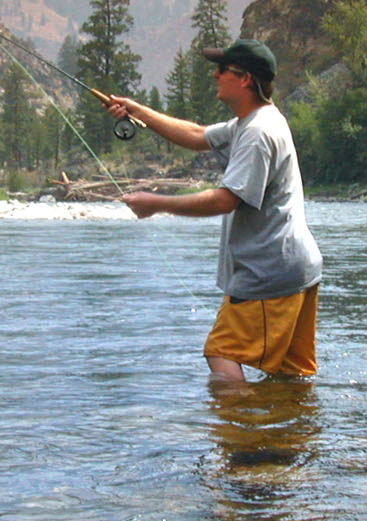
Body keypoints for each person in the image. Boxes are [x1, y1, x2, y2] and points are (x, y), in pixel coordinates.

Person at [101, 39, 322, 382]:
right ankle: (291, 433)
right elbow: (195, 134)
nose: (215, 75)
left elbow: (224, 200)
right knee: (289, 375)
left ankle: (238, 435)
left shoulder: (257, 132)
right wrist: (137, 110)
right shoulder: (252, 122)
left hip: (269, 273)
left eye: (222, 70)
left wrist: (155, 204)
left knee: (221, 355)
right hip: (293, 268)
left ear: (246, 79)